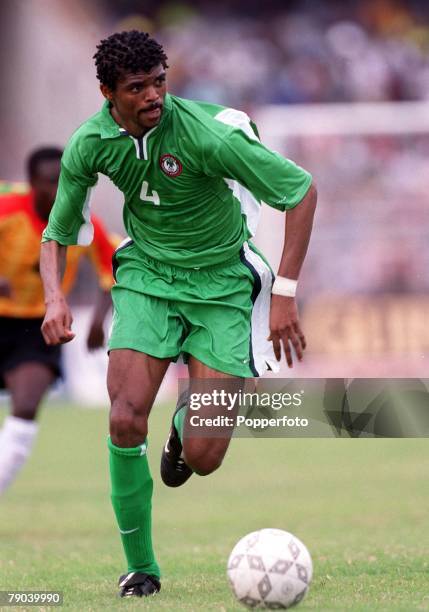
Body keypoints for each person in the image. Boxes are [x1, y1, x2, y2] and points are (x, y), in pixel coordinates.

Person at [40, 31, 317, 598]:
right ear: (107, 93)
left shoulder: (206, 135)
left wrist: (284, 294)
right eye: (136, 87)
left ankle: (184, 432)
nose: (153, 96)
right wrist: (54, 297)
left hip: (221, 287)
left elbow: (301, 191)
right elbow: (58, 232)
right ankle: (141, 568)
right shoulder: (90, 143)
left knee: (204, 457)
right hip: (147, 281)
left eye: (159, 82)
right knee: (122, 418)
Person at [0, 147, 115, 496]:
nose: (61, 190)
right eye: (52, 182)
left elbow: (113, 268)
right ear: (33, 183)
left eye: (66, 181)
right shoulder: (7, 210)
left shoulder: (83, 223)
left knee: (25, 409)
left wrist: (98, 321)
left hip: (37, 331)